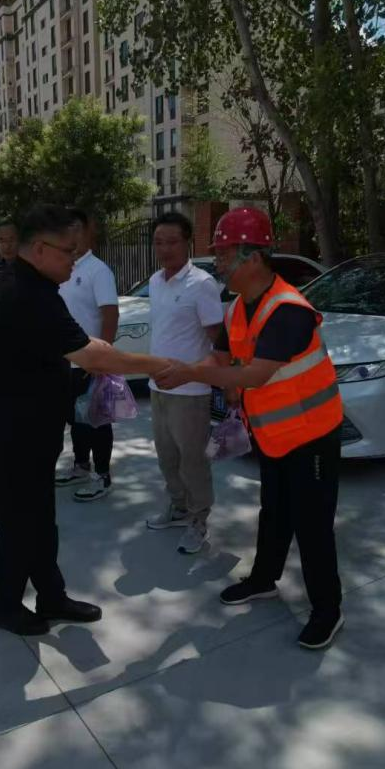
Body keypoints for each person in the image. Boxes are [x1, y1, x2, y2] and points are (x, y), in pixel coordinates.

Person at [0, 203, 171, 636]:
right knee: (19, 525)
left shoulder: (33, 285)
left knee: (40, 519)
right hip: (6, 436)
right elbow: (92, 355)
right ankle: (5, 606)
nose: (74, 260)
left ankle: (51, 596)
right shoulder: (26, 294)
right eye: (68, 251)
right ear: (40, 249)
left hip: (28, 431)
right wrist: (159, 364)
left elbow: (77, 344)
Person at [154, 207, 345, 651]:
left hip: (312, 435)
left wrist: (190, 373)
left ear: (253, 257)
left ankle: (327, 610)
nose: (217, 264)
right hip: (275, 435)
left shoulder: (288, 311)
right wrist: (184, 368)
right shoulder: (240, 308)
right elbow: (221, 358)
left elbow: (254, 375)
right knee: (273, 511)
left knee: (312, 525)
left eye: (224, 255)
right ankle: (263, 579)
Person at [143, 211, 225, 555]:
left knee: (193, 461)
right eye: (159, 242)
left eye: (172, 242)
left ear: (188, 242)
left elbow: (218, 341)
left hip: (191, 392)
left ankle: (199, 519)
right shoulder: (154, 281)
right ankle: (178, 507)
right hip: (158, 388)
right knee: (167, 457)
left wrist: (220, 381)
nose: (165, 249)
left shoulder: (201, 284)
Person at [54, 208, 120, 502]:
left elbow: (110, 315)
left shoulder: (97, 270)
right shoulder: (61, 267)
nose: (71, 236)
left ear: (87, 231)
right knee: (75, 419)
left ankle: (102, 475)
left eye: (75, 229)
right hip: (64, 362)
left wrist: (102, 359)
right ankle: (81, 466)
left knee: (97, 420)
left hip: (91, 361)